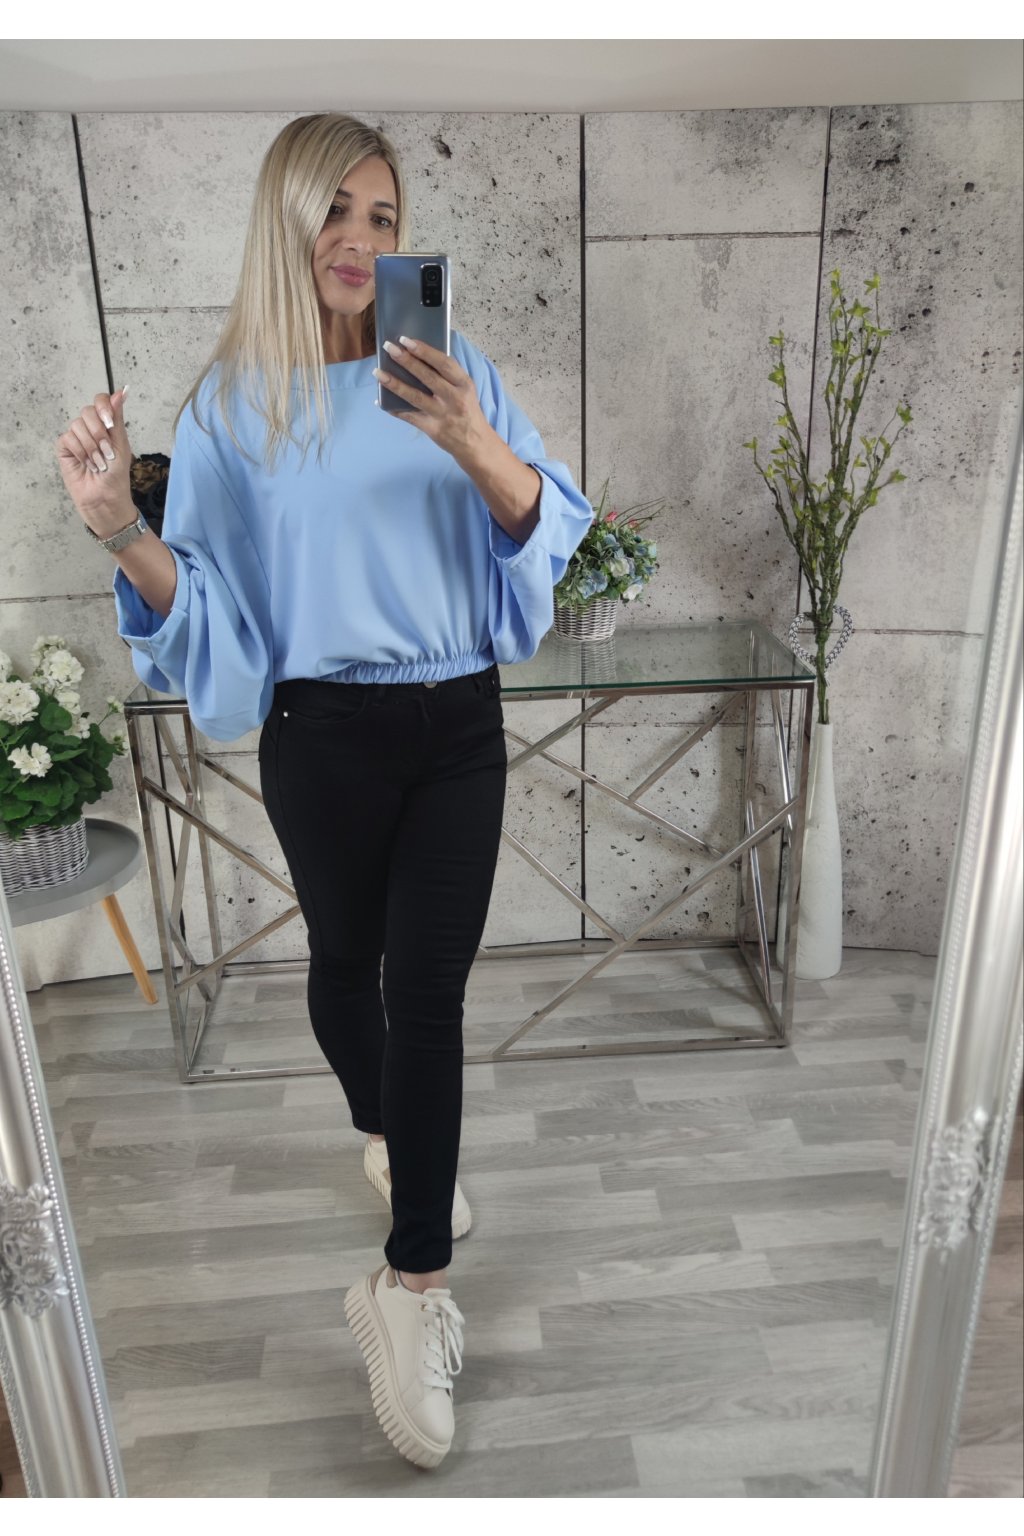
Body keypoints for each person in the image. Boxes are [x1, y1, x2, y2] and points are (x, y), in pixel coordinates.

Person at [55, 111, 593, 1470]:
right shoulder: (232, 408)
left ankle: (410, 1290)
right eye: (334, 212)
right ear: (287, 225)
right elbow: (211, 608)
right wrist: (119, 527)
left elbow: (546, 526)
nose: (360, 239)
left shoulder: (452, 366)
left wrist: (469, 434)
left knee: (429, 994)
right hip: (324, 731)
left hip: (459, 720)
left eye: (382, 215)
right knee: (346, 971)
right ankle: (393, 1135)